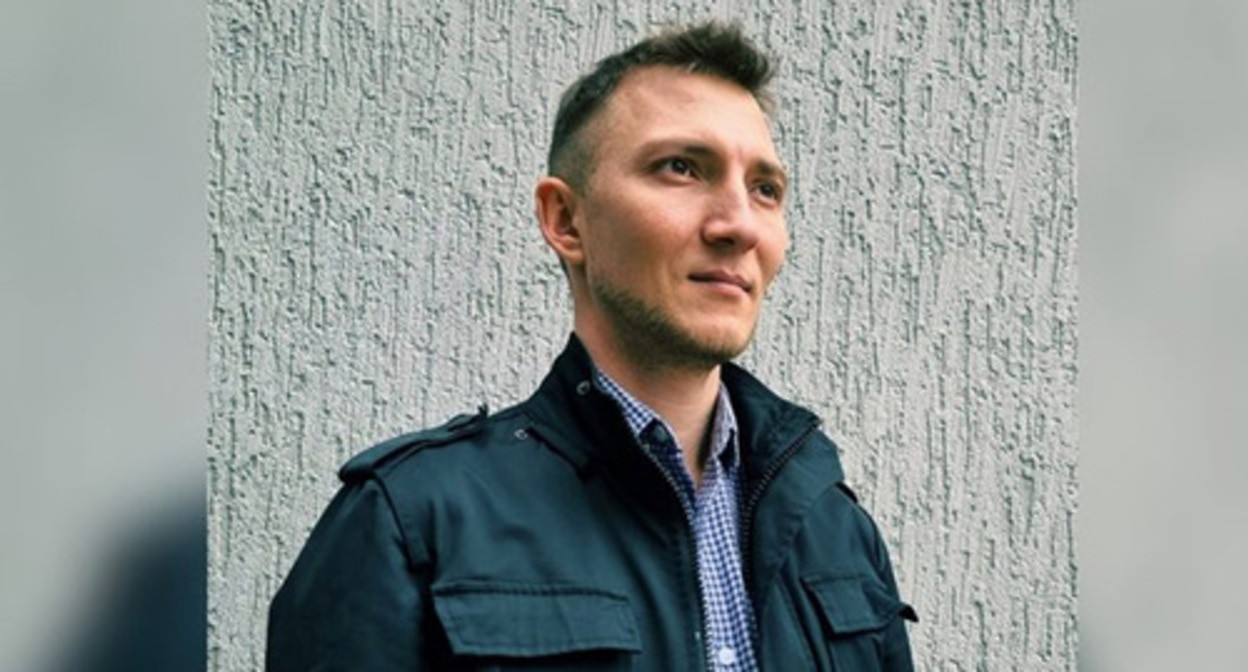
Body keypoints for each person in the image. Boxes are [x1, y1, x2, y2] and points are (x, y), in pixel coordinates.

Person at [266, 21, 916, 671]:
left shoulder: (836, 534)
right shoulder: (409, 521)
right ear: (565, 220)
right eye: (681, 168)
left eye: (764, 189)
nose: (739, 224)